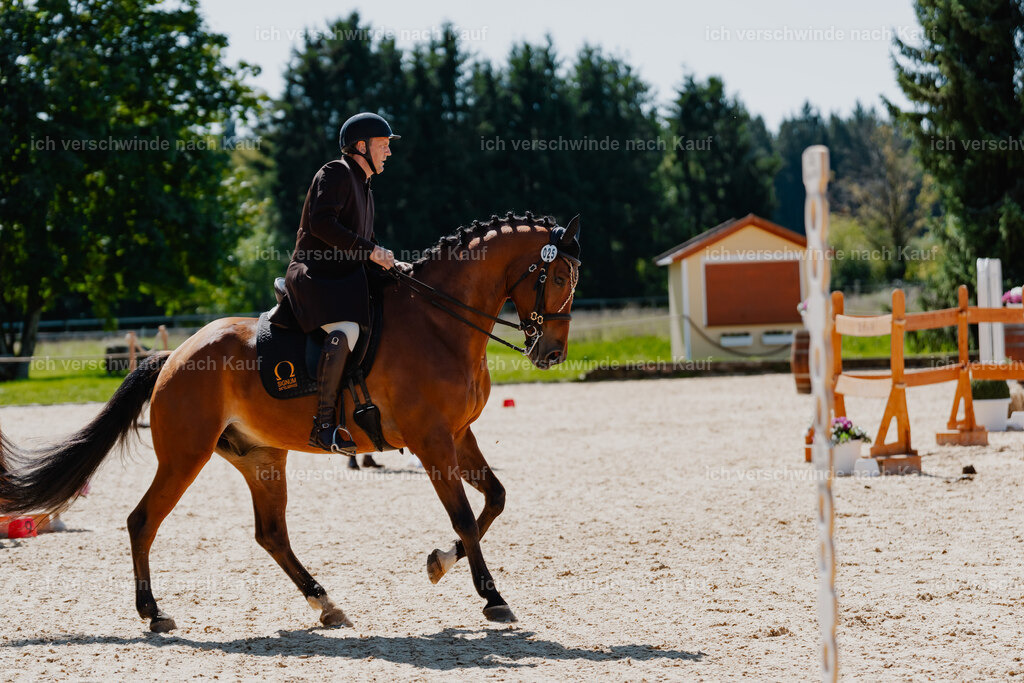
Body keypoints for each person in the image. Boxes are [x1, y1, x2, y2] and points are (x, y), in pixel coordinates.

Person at [281, 112, 406, 457]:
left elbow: (365, 243)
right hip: (316, 276)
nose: (388, 152)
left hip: (343, 279)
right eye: (383, 145)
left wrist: (396, 266)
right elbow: (322, 224)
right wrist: (371, 251)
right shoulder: (335, 172)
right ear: (361, 146)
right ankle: (323, 426)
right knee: (348, 328)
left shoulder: (364, 188)